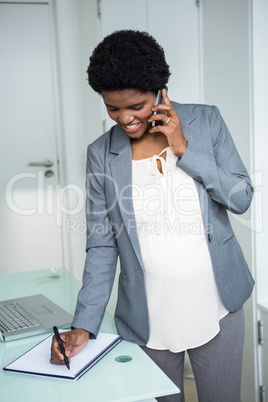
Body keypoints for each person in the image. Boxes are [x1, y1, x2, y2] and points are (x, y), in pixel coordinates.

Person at [50, 30, 254, 402]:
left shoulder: (207, 123)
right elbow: (101, 244)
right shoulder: (101, 153)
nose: (125, 119)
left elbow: (241, 199)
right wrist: (84, 324)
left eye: (137, 106)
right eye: (113, 108)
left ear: (160, 90)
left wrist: (184, 149)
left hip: (218, 305)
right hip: (148, 316)